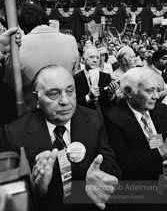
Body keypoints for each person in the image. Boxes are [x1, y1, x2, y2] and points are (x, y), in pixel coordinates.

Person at [1, 65, 121, 211]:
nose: (65, 101)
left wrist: (101, 178)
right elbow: (9, 198)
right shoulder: (14, 133)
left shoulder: (93, 119)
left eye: (70, 91)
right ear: (36, 98)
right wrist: (36, 189)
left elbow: (110, 164)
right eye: (53, 94)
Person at [103, 67, 167, 210]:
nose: (156, 96)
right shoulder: (112, 118)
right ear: (128, 92)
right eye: (149, 91)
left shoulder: (162, 110)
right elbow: (124, 162)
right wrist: (162, 152)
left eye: (157, 90)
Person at [5, 2, 79, 110]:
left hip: (32, 112)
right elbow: (72, 74)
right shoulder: (70, 41)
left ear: (22, 26)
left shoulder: (16, 46)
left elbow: (11, 84)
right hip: (66, 109)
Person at [74, 45, 114, 114]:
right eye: (91, 57)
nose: (95, 60)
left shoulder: (106, 77)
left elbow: (109, 104)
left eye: (97, 58)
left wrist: (112, 96)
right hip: (84, 117)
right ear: (83, 59)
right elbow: (74, 103)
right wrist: (88, 97)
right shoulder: (75, 79)